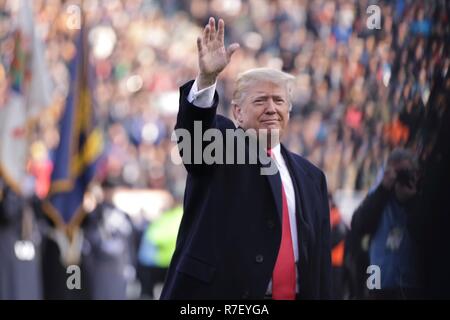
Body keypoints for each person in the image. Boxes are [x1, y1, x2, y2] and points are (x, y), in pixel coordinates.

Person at [160, 17, 331, 300]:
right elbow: (194, 143)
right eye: (260, 100)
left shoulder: (311, 177)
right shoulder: (224, 144)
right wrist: (206, 80)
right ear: (238, 112)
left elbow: (321, 267)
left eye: (278, 101)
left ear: (289, 111)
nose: (271, 108)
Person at [351, 148, 424, 299]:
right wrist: (383, 189)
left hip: (408, 285)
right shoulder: (379, 194)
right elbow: (358, 225)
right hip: (377, 281)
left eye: (404, 172)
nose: (400, 178)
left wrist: (411, 200)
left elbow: (426, 235)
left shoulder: (421, 197)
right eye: (396, 173)